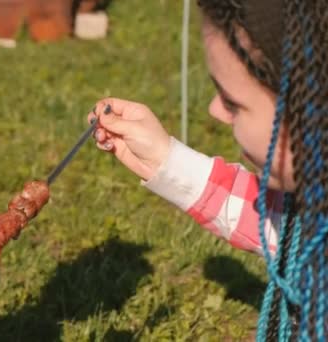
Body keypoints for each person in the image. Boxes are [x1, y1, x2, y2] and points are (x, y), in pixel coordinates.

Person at [88, 0, 327, 340]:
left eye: (233, 102)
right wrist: (164, 158)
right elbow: (264, 218)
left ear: (311, 113)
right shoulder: (309, 217)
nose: (215, 110)